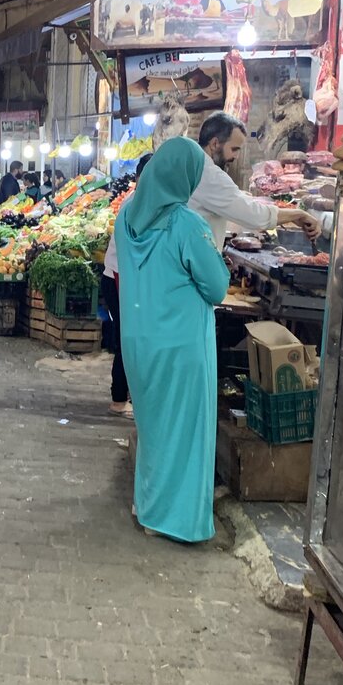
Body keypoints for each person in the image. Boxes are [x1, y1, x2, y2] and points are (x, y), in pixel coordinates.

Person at [116, 138, 231, 542]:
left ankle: (148, 508)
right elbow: (216, 288)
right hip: (181, 345)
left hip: (138, 341)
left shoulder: (126, 217)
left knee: (153, 429)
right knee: (184, 432)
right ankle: (175, 520)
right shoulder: (187, 224)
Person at [192, 113, 320, 247]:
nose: (236, 156)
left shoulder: (194, 165)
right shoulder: (209, 174)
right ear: (215, 144)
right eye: (234, 149)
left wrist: (239, 195)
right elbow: (254, 216)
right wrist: (298, 214)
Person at [102, 152, 152, 416]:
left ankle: (125, 395)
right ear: (139, 177)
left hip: (122, 277)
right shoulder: (137, 204)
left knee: (129, 338)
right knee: (128, 339)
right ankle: (119, 399)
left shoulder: (143, 202)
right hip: (119, 278)